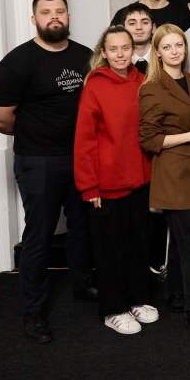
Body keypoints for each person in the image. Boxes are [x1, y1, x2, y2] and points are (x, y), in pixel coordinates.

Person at [0, 0, 94, 344]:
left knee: (82, 227)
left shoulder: (85, 56)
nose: (54, 17)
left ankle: (83, 285)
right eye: (46, 12)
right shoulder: (17, 62)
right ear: (34, 19)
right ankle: (33, 311)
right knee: (39, 235)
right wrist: (34, 131)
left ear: (68, 16)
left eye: (60, 10)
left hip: (79, 158)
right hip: (38, 161)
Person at [138, 24, 190, 343]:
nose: (175, 51)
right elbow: (148, 139)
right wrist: (189, 136)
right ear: (157, 52)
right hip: (173, 175)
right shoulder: (151, 88)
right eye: (168, 47)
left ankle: (178, 294)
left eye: (179, 45)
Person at [73, 25, 155, 335]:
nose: (120, 54)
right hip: (107, 184)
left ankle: (137, 299)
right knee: (111, 250)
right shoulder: (95, 85)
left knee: (138, 244)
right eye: (114, 49)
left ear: (133, 50)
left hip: (139, 180)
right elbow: (84, 140)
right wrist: (89, 186)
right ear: (104, 53)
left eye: (125, 48)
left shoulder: (141, 80)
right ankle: (113, 309)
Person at [117, 2, 155, 73]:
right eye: (132, 23)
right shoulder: (115, 61)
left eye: (145, 22)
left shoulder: (165, 57)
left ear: (153, 27)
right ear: (123, 28)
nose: (139, 27)